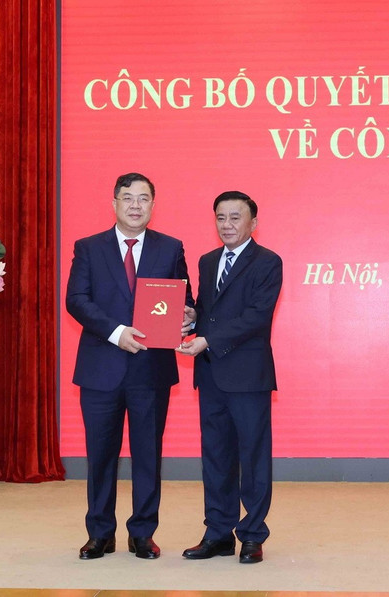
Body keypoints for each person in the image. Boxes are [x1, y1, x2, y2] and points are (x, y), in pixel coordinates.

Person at [65, 172, 193, 560]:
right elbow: (77, 299)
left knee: (147, 454)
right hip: (101, 367)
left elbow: (185, 298)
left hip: (150, 371)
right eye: (128, 198)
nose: (136, 205)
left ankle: (142, 532)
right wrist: (115, 331)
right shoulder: (88, 247)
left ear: (153, 205)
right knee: (100, 455)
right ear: (114, 204)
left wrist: (188, 316)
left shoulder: (170, 248)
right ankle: (100, 532)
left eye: (143, 198)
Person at [176, 190, 282, 564]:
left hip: (248, 375)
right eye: (221, 217)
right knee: (216, 458)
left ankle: (252, 535)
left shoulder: (268, 262)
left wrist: (206, 339)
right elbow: (210, 310)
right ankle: (218, 533)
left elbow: (256, 317)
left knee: (252, 458)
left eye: (236, 217)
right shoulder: (207, 261)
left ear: (254, 221)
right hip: (210, 374)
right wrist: (191, 320)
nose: (228, 225)